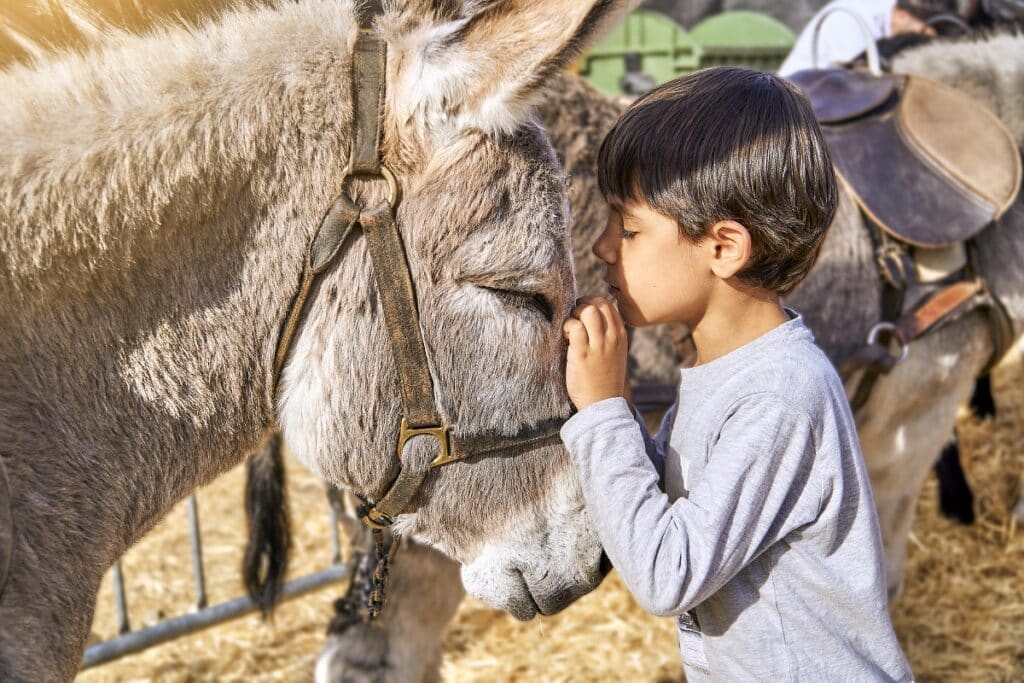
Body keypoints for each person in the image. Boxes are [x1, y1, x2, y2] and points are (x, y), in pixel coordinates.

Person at [559, 67, 913, 681]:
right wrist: (612, 395)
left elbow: (668, 574)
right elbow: (668, 507)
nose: (603, 247)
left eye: (630, 228)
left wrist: (600, 416)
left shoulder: (780, 394)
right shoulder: (722, 370)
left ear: (724, 247)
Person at [778, 0, 959, 76]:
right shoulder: (852, 19)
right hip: (797, 102)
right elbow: (853, 78)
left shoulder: (890, 12)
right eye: (919, 34)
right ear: (903, 14)